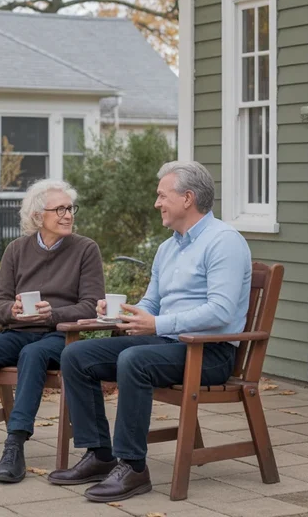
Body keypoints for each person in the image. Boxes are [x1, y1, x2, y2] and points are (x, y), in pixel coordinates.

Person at [47, 160, 252, 503]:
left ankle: (133, 467)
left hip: (211, 353)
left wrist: (156, 325)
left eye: (162, 195)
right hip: (167, 345)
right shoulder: (168, 247)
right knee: (76, 355)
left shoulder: (224, 242)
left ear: (187, 198)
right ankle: (100, 454)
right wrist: (120, 317)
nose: (156, 203)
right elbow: (152, 303)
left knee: (134, 360)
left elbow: (221, 312)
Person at [0, 178, 104, 483]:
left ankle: (14, 444)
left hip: (60, 337)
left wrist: (54, 313)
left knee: (33, 354)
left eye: (70, 208)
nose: (68, 215)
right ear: (37, 216)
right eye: (59, 209)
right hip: (16, 333)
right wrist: (12, 310)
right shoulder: (17, 249)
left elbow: (91, 305)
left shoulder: (86, 249)